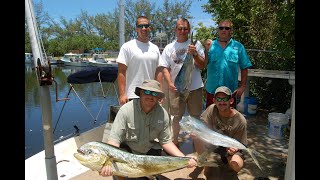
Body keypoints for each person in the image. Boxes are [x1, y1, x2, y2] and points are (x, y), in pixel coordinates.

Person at [100, 79, 197, 180]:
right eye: (147, 92)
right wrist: (108, 162)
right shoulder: (125, 110)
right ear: (140, 93)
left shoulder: (163, 114)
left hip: (148, 151)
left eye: (154, 93)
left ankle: (150, 175)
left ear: (158, 97)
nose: (150, 96)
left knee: (152, 171)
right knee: (118, 171)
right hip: (127, 151)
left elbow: (166, 142)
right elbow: (114, 141)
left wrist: (184, 158)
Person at [161, 17, 205, 146]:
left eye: (185, 28)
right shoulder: (169, 47)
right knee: (175, 117)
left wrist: (195, 54)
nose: (182, 31)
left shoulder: (196, 45)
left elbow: (202, 65)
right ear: (175, 30)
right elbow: (165, 68)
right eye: (180, 28)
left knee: (196, 118)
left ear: (189, 30)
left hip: (195, 89)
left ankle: (197, 145)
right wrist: (169, 83)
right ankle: (174, 142)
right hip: (177, 89)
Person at [193, 86, 247, 180]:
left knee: (236, 164)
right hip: (214, 145)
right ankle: (204, 165)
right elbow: (202, 127)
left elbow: (240, 144)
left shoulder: (240, 120)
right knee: (197, 137)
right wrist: (197, 132)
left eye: (225, 99)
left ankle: (230, 170)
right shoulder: (211, 109)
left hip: (231, 148)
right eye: (219, 99)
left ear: (231, 101)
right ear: (214, 100)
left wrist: (233, 151)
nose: (222, 102)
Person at [204, 19, 252, 108]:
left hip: (230, 92)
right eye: (221, 28)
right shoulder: (210, 45)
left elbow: (244, 67)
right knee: (210, 120)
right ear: (218, 30)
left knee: (229, 120)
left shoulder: (239, 47)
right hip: (212, 91)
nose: (224, 30)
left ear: (231, 30)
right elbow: (203, 64)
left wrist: (242, 86)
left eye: (227, 28)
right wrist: (206, 51)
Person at [117, 15, 163, 105]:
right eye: (140, 26)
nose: (143, 28)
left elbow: (159, 72)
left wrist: (159, 91)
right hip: (132, 95)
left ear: (149, 28)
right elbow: (121, 72)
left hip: (151, 94)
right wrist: (122, 94)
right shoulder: (127, 47)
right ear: (136, 29)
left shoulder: (155, 48)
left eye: (146, 26)